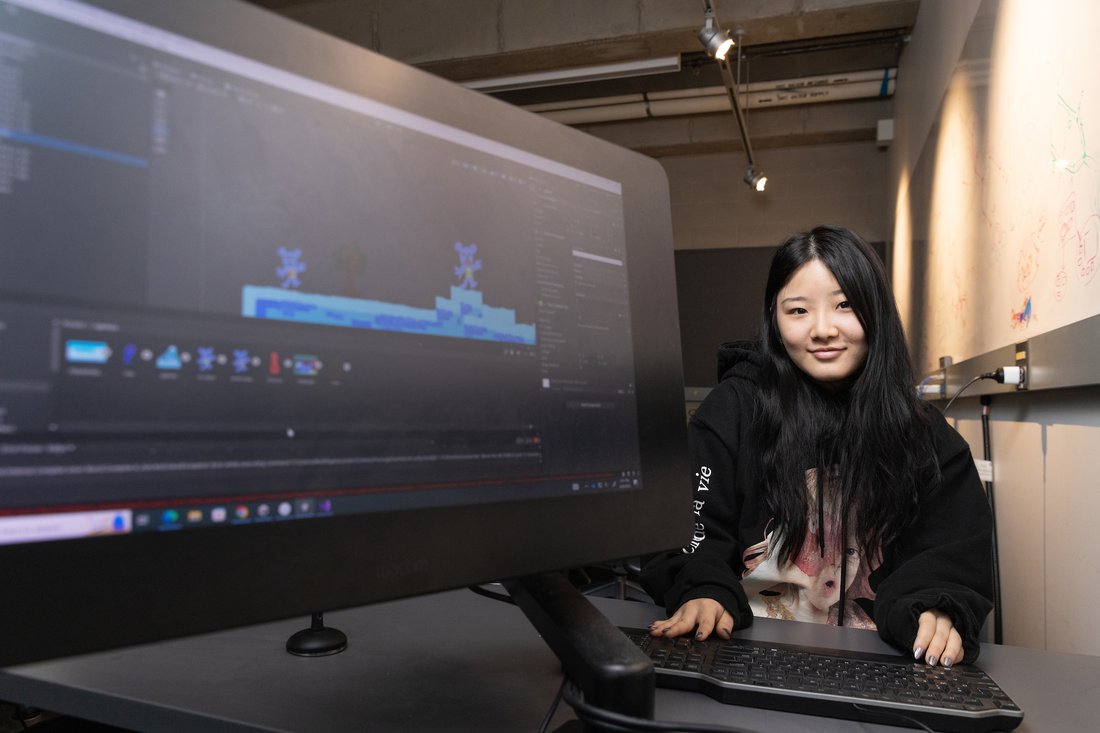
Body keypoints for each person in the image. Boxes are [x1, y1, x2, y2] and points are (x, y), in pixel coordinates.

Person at [641, 225, 993, 668]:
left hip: (880, 662)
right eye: (798, 310)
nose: (823, 329)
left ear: (876, 312)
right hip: (740, 652)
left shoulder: (922, 433)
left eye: (845, 305)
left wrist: (938, 607)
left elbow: (951, 553)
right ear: (775, 318)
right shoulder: (733, 409)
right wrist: (702, 588)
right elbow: (686, 529)